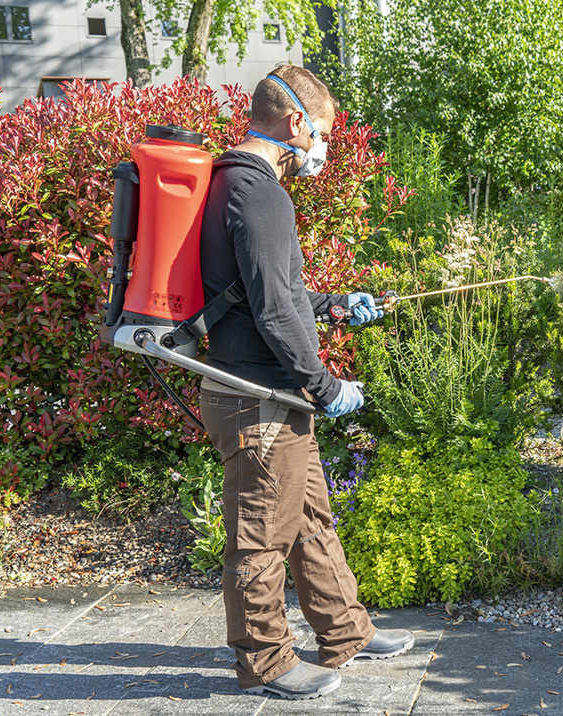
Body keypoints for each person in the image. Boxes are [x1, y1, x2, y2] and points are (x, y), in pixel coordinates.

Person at [196, 63, 413, 700]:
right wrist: (324, 384)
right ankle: (264, 662)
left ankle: (343, 630)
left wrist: (338, 301)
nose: (320, 148)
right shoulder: (259, 191)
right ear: (295, 122)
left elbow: (272, 293)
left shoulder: (232, 183)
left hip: (270, 396)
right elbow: (269, 311)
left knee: (311, 517)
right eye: (320, 133)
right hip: (258, 400)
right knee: (261, 538)